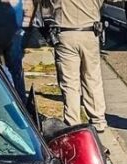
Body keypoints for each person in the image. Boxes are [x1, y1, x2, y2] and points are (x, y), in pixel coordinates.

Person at [43, 0, 106, 132]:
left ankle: (73, 123)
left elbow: (45, 6)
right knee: (92, 78)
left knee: (69, 82)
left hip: (65, 34)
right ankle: (98, 120)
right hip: (90, 32)